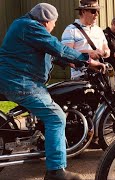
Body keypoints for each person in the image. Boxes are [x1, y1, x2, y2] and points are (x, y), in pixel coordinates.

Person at [0, 3, 106, 180]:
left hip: (20, 80)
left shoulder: (25, 26)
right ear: (46, 20)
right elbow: (57, 47)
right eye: (54, 22)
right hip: (21, 82)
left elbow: (52, 53)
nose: (54, 26)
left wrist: (73, 62)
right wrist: (88, 61)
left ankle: (44, 144)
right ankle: (56, 171)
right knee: (56, 117)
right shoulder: (29, 26)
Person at [61, 0, 110, 80]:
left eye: (98, 11)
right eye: (93, 11)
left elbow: (107, 50)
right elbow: (65, 55)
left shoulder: (99, 30)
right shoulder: (70, 30)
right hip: (81, 78)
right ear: (83, 11)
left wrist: (103, 53)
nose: (97, 14)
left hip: (100, 77)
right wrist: (89, 53)